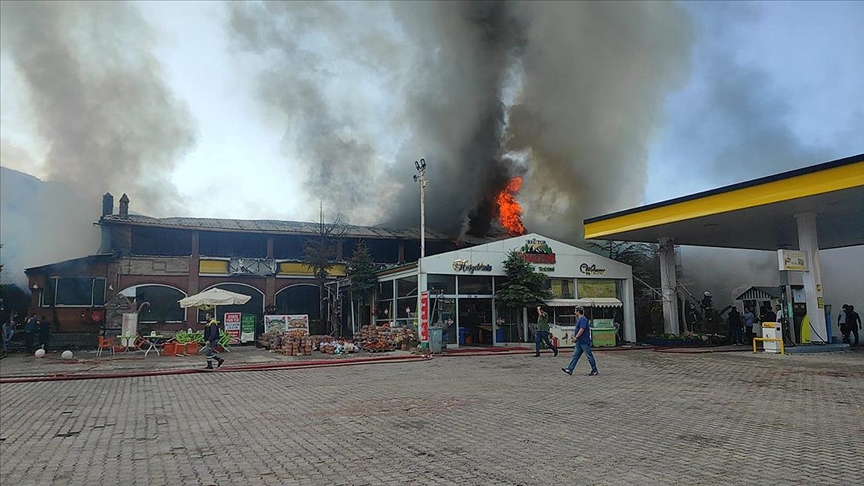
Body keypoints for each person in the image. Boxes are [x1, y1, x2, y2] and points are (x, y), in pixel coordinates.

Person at [561, 307, 598, 376]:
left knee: (589, 356)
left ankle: (594, 370)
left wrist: (576, 337)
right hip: (579, 342)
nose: (575, 313)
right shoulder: (580, 319)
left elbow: (582, 329)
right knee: (575, 356)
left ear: (578, 312)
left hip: (584, 341)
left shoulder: (583, 319)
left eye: (575, 311)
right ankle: (570, 369)